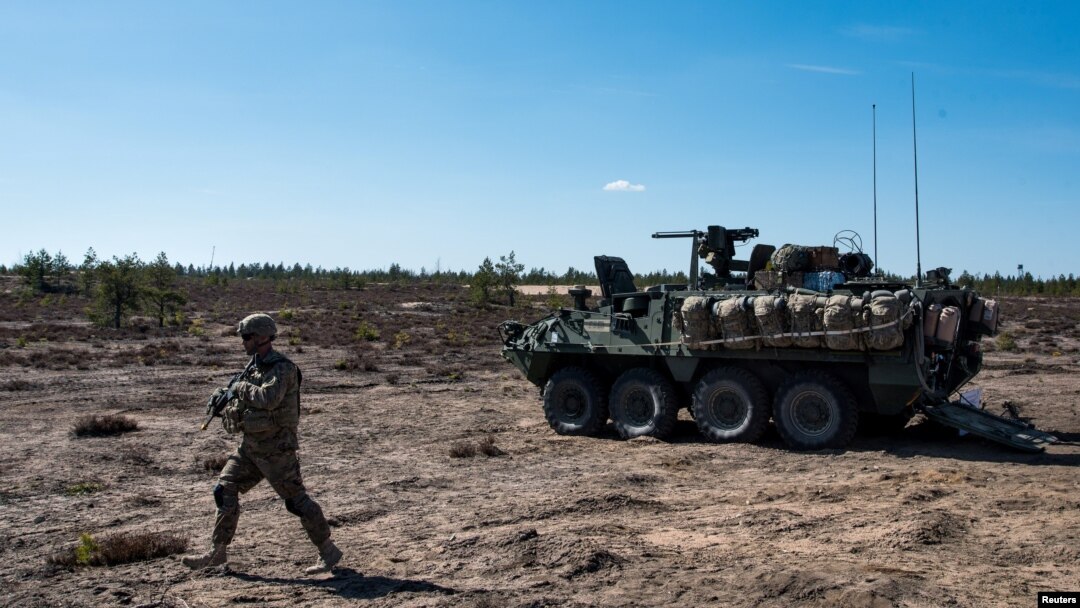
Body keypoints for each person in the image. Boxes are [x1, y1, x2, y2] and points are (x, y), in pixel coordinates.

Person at [182, 313, 342, 574]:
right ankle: (218, 552)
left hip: (276, 449)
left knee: (296, 501)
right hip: (251, 447)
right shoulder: (253, 368)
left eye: (246, 337)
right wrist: (224, 399)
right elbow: (245, 400)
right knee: (224, 489)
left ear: (261, 338)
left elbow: (268, 398)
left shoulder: (283, 368)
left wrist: (240, 388)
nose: (243, 342)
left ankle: (328, 550)